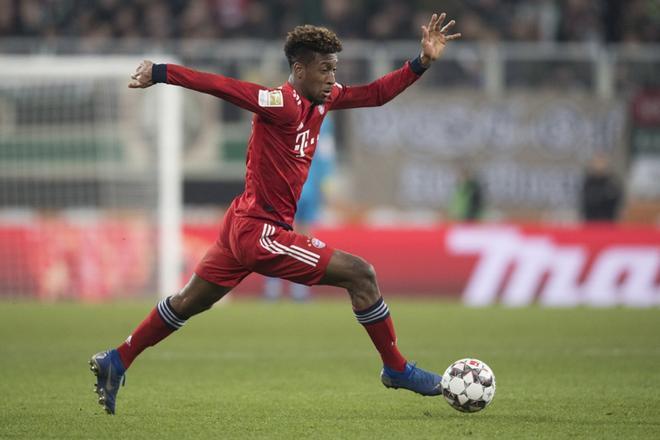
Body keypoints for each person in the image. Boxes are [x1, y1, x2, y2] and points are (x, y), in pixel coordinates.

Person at [89, 13, 461, 415]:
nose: (332, 78)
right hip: (260, 232)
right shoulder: (281, 102)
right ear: (299, 70)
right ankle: (396, 368)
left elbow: (375, 94)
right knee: (362, 274)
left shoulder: (325, 99)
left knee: (187, 302)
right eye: (324, 69)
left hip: (242, 224)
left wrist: (420, 62)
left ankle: (117, 358)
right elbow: (225, 87)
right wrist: (160, 72)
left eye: (335, 69)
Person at [263, 116, 336, 302]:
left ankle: (297, 286)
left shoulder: (323, 120)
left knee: (300, 237)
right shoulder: (288, 112)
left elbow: (326, 152)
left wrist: (326, 180)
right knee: (281, 234)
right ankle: (275, 285)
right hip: (287, 187)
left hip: (306, 187)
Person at [580, 153, 622, 221]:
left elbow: (616, 199)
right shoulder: (588, 182)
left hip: (608, 221)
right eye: (597, 163)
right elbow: (587, 200)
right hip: (591, 221)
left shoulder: (612, 181)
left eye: (602, 162)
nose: (600, 165)